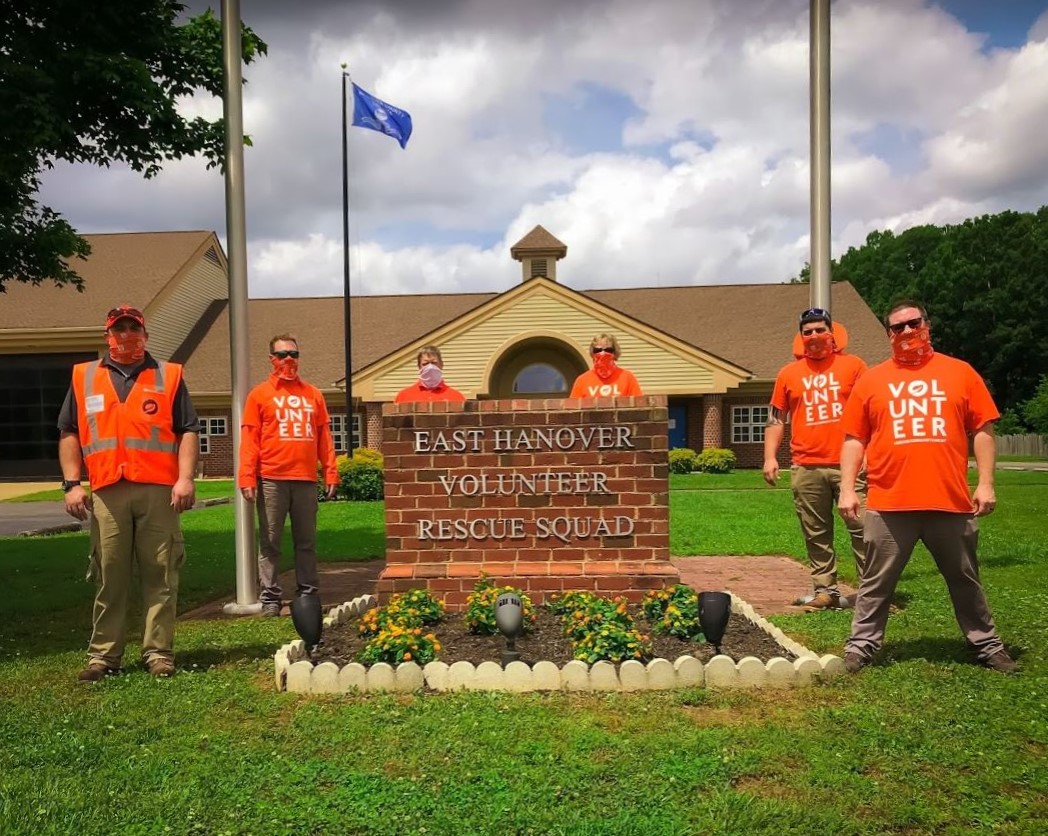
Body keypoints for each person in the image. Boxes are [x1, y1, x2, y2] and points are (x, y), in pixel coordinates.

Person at [838, 300, 1016, 674]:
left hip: (949, 500)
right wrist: (848, 488)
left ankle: (987, 645)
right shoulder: (872, 380)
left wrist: (985, 483)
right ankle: (861, 647)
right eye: (896, 327)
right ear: (888, 334)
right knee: (875, 582)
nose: (905, 332)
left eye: (912, 323)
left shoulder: (960, 373)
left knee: (965, 579)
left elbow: (982, 429)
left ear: (926, 325)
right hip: (889, 502)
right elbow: (854, 438)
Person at [58, 305, 199, 682]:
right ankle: (104, 657)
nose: (126, 336)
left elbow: (187, 429)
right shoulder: (84, 377)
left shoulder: (168, 375)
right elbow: (69, 432)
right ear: (107, 335)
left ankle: (159, 654)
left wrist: (185, 478)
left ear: (145, 334)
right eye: (118, 329)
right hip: (106, 491)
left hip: (158, 491)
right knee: (110, 576)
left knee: (161, 574)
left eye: (133, 329)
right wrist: (73, 484)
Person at [763, 307, 868, 611]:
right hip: (806, 465)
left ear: (832, 334)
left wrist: (870, 453)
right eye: (807, 331)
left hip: (849, 465)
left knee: (862, 529)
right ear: (801, 337)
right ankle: (826, 591)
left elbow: (872, 413)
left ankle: (870, 592)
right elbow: (775, 419)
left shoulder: (854, 367)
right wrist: (770, 457)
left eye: (820, 329)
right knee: (816, 531)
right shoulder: (788, 374)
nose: (814, 336)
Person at [239, 334, 339, 616]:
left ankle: (308, 593)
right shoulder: (259, 395)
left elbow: (324, 437)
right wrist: (247, 477)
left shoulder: (313, 394)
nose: (288, 360)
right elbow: (250, 439)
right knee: (270, 542)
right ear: (272, 359)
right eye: (282, 355)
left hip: (305, 479)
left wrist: (331, 472)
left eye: (293, 354)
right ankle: (270, 597)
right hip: (271, 478)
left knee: (306, 541)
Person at [570, 334, 643, 398]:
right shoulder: (582, 381)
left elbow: (639, 406)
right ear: (592, 353)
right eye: (598, 350)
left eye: (608, 350)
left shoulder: (627, 378)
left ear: (615, 352)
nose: (602, 353)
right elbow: (573, 409)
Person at [394, 345, 466, 403]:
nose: (430, 367)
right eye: (425, 364)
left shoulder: (457, 397)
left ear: (441, 365)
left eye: (434, 363)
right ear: (419, 366)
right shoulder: (403, 396)